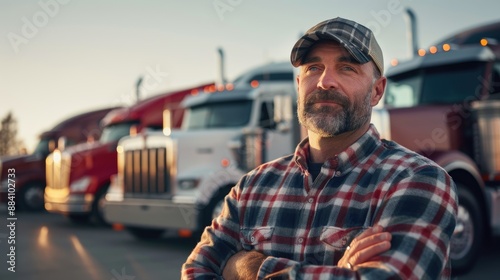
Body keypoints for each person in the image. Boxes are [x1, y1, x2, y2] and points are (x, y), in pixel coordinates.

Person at [182, 17, 458, 279]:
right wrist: (342, 273)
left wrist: (246, 268)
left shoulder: (418, 180)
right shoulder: (252, 188)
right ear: (299, 84)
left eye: (347, 68)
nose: (325, 82)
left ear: (377, 91)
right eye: (313, 68)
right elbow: (196, 270)